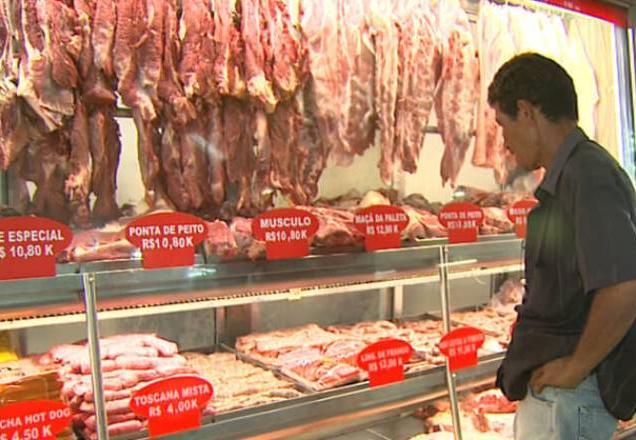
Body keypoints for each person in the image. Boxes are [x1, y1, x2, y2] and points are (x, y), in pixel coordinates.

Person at [488, 52, 636, 440]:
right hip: (565, 398)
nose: (503, 141)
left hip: (573, 398)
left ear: (526, 112)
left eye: (503, 125)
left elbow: (622, 286)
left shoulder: (587, 175)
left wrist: (574, 366)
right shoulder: (575, 173)